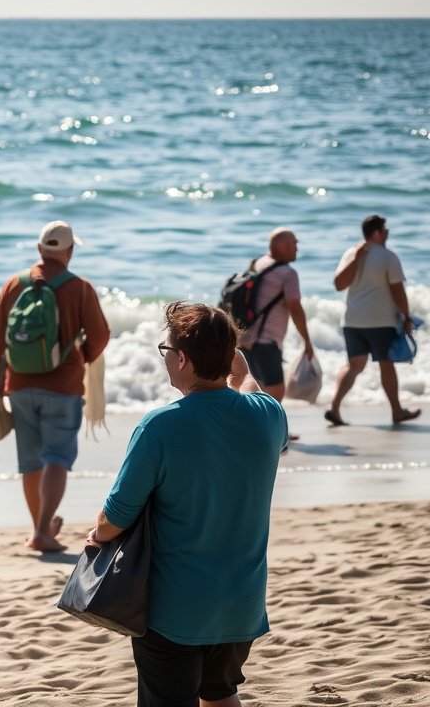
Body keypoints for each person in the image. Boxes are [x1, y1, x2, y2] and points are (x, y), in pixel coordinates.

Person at [87, 301, 287, 707]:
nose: (164, 360)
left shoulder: (160, 425)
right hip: (240, 606)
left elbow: (116, 517)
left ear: (181, 359)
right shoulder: (269, 415)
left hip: (176, 611)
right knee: (220, 693)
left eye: (166, 351)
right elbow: (248, 386)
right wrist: (241, 370)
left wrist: (96, 534)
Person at [0, 221, 111, 553]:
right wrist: (80, 357)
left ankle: (39, 527)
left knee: (30, 461)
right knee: (57, 456)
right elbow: (100, 335)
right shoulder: (79, 287)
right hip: (64, 386)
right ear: (69, 251)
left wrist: (0, 379)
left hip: (20, 384)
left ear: (40, 248)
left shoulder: (13, 284)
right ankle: (43, 529)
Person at [325, 214, 420, 427]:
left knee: (354, 365)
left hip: (351, 321)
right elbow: (398, 290)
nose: (387, 235)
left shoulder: (351, 252)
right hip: (380, 321)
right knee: (386, 364)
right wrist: (406, 316)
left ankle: (334, 407)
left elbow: (339, 284)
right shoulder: (388, 256)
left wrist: (357, 259)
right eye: (385, 231)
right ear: (377, 232)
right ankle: (397, 411)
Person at [238, 228, 313, 433]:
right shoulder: (288, 274)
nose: (297, 248)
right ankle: (274, 434)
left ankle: (257, 430)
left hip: (245, 338)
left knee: (257, 387)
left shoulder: (257, 263)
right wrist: (307, 341)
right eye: (294, 244)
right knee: (276, 388)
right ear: (281, 246)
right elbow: (295, 309)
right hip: (265, 340)